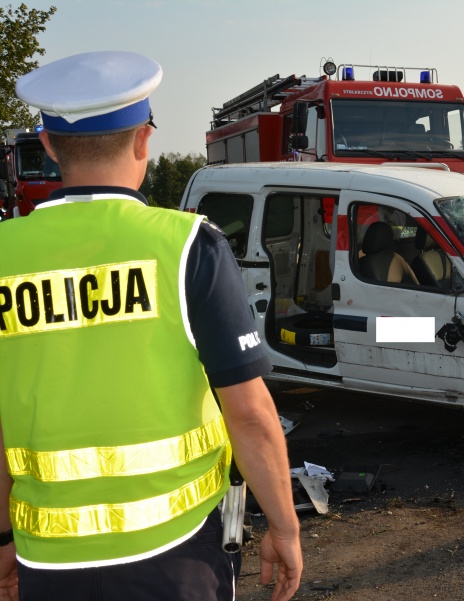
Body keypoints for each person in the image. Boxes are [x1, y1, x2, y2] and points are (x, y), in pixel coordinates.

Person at [0, 51, 302, 601]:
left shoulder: (4, 254)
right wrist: (284, 525)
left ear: (47, 146)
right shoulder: (189, 247)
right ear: (143, 140)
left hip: (47, 557)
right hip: (179, 554)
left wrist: (2, 538)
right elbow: (251, 415)